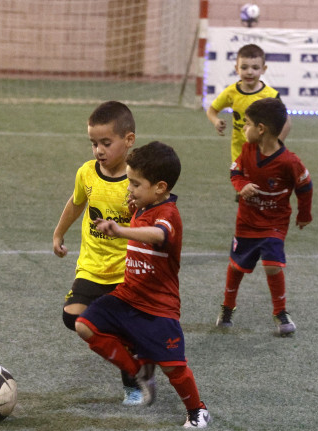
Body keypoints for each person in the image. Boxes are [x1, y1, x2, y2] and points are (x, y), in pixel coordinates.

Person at [76, 141, 211, 428]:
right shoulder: (142, 205)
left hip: (158, 308)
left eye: (135, 184)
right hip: (127, 296)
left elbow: (158, 235)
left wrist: (121, 229)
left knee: (174, 368)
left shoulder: (168, 215)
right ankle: (138, 370)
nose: (130, 189)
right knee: (84, 325)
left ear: (160, 187)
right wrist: (131, 211)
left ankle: (197, 410)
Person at [52, 101, 148, 405]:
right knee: (73, 318)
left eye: (106, 143)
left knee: (122, 328)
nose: (99, 150)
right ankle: (133, 355)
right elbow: (77, 202)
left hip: (126, 270)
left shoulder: (137, 182)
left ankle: (132, 383)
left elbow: (151, 222)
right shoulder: (87, 173)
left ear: (129, 140)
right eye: (94, 143)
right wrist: (59, 232)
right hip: (92, 268)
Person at [215, 97, 312, 336]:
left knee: (272, 265)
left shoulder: (290, 162)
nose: (243, 129)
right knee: (237, 267)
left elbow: (305, 187)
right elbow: (235, 172)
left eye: (246, 124)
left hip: (274, 224)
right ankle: (227, 307)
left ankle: (280, 312)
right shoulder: (247, 151)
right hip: (246, 223)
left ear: (261, 129)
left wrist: (304, 214)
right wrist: (241, 185)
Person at [206, 43, 292, 165]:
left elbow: (286, 121)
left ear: (263, 69)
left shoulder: (270, 95)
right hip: (239, 154)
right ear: (237, 69)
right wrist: (216, 121)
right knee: (241, 183)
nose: (249, 72)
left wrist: (276, 145)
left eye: (255, 68)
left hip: (262, 154)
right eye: (244, 67)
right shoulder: (231, 92)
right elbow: (212, 110)